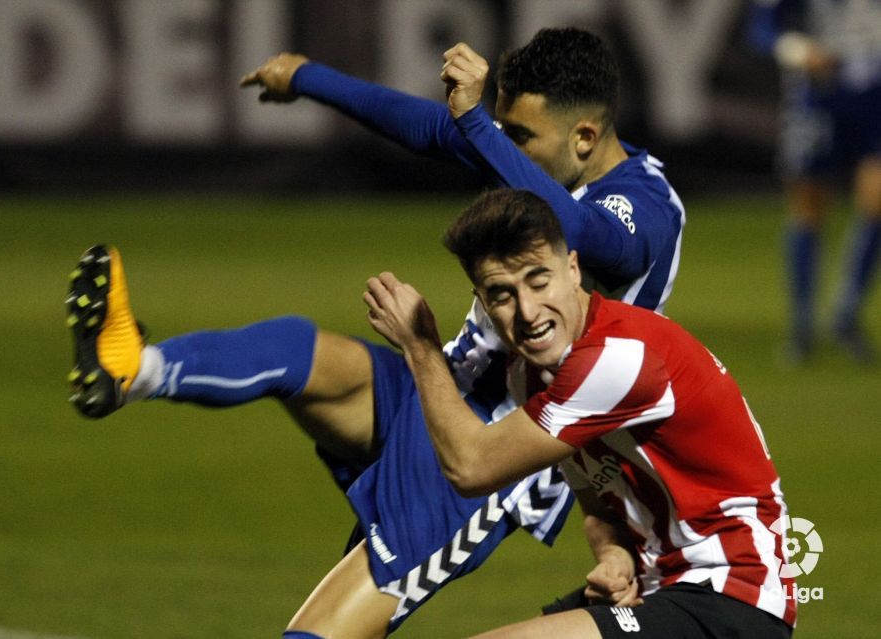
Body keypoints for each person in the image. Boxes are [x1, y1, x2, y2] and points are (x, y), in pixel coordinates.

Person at [66, 29, 684, 638]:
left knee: (322, 630)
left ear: (584, 137)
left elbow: (581, 228)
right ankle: (133, 369)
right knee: (293, 350)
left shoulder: (646, 206)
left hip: (494, 452)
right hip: (441, 382)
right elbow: (425, 126)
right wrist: (308, 76)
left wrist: (475, 124)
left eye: (517, 135)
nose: (505, 146)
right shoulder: (531, 157)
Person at [365, 188, 797, 638]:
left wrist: (420, 346)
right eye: (502, 294)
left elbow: (472, 467)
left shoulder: (617, 359)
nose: (528, 312)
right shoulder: (530, 373)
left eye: (538, 280)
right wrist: (615, 557)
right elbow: (596, 499)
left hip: (731, 594)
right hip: (660, 586)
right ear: (482, 301)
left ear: (572, 269)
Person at [748, 0, 881, 364]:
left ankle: (846, 313)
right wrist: (798, 50)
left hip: (875, 93)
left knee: (876, 201)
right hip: (819, 95)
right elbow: (761, 27)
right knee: (808, 207)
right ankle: (802, 326)